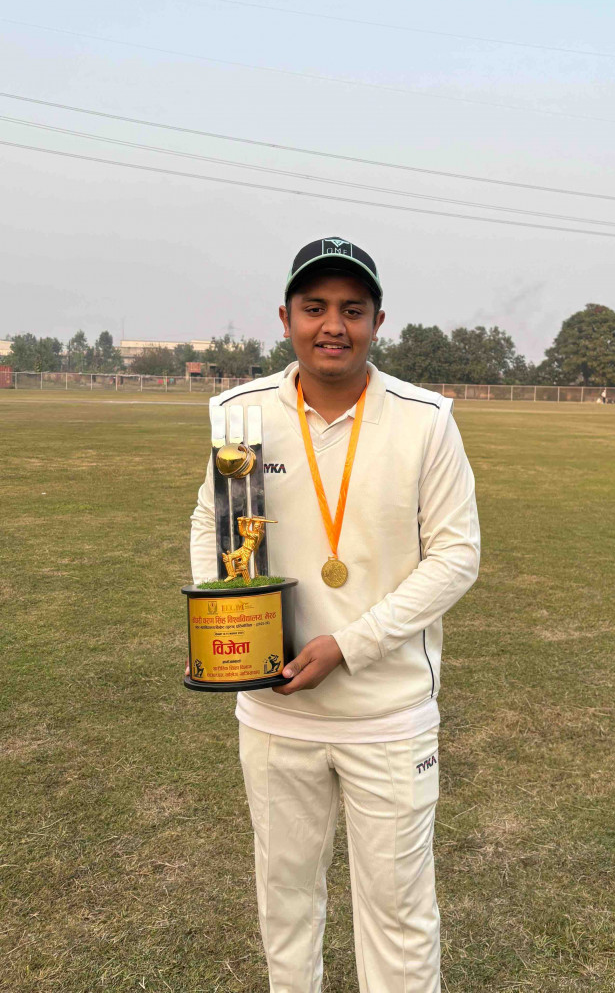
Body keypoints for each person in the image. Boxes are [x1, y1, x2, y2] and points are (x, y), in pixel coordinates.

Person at [189, 237, 480, 993]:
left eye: (352, 310)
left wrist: (349, 645)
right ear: (285, 317)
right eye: (314, 307)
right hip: (274, 709)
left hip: (387, 715)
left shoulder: (426, 420)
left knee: (399, 913)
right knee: (284, 901)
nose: (332, 326)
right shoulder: (242, 415)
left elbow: (456, 557)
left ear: (378, 321)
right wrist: (226, 628)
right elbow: (212, 525)